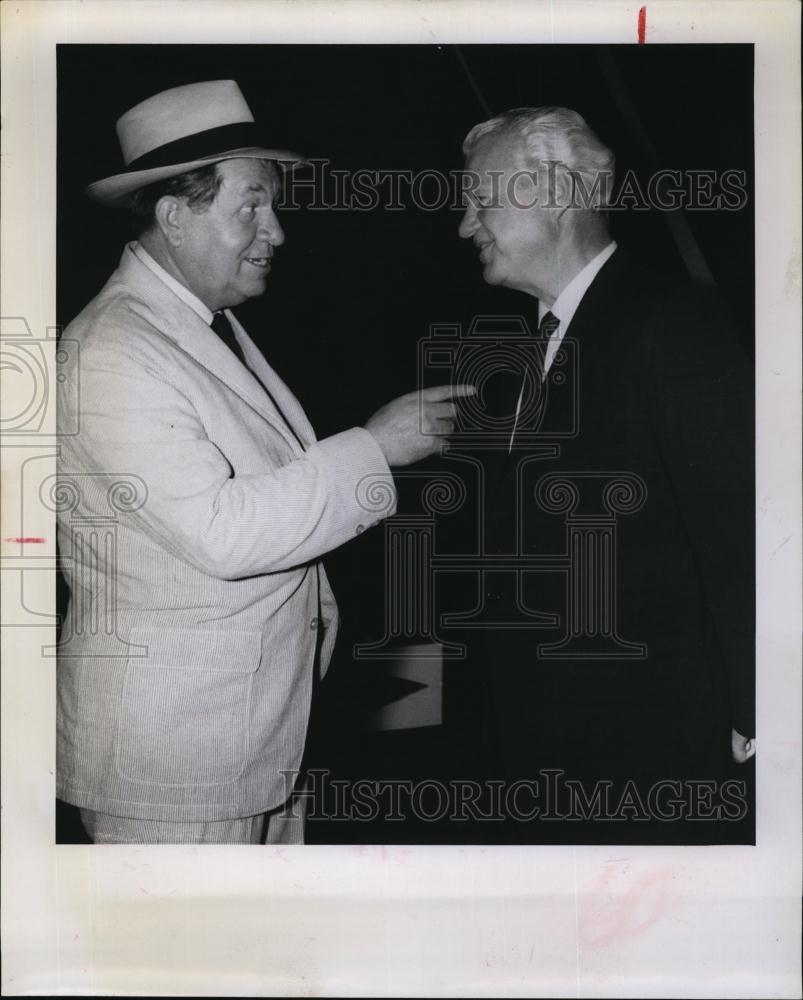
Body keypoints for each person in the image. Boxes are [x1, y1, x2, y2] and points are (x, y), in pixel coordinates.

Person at [56, 80, 471, 845]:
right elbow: (222, 533)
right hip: (174, 764)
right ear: (176, 217)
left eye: (273, 205)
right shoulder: (112, 352)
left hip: (247, 736)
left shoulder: (201, 326)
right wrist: (377, 448)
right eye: (251, 206)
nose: (275, 231)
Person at [458, 107, 754, 841]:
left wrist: (759, 716)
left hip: (656, 750)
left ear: (552, 193)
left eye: (479, 200)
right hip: (555, 749)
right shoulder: (530, 348)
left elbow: (742, 536)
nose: (465, 226)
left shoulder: (674, 324)